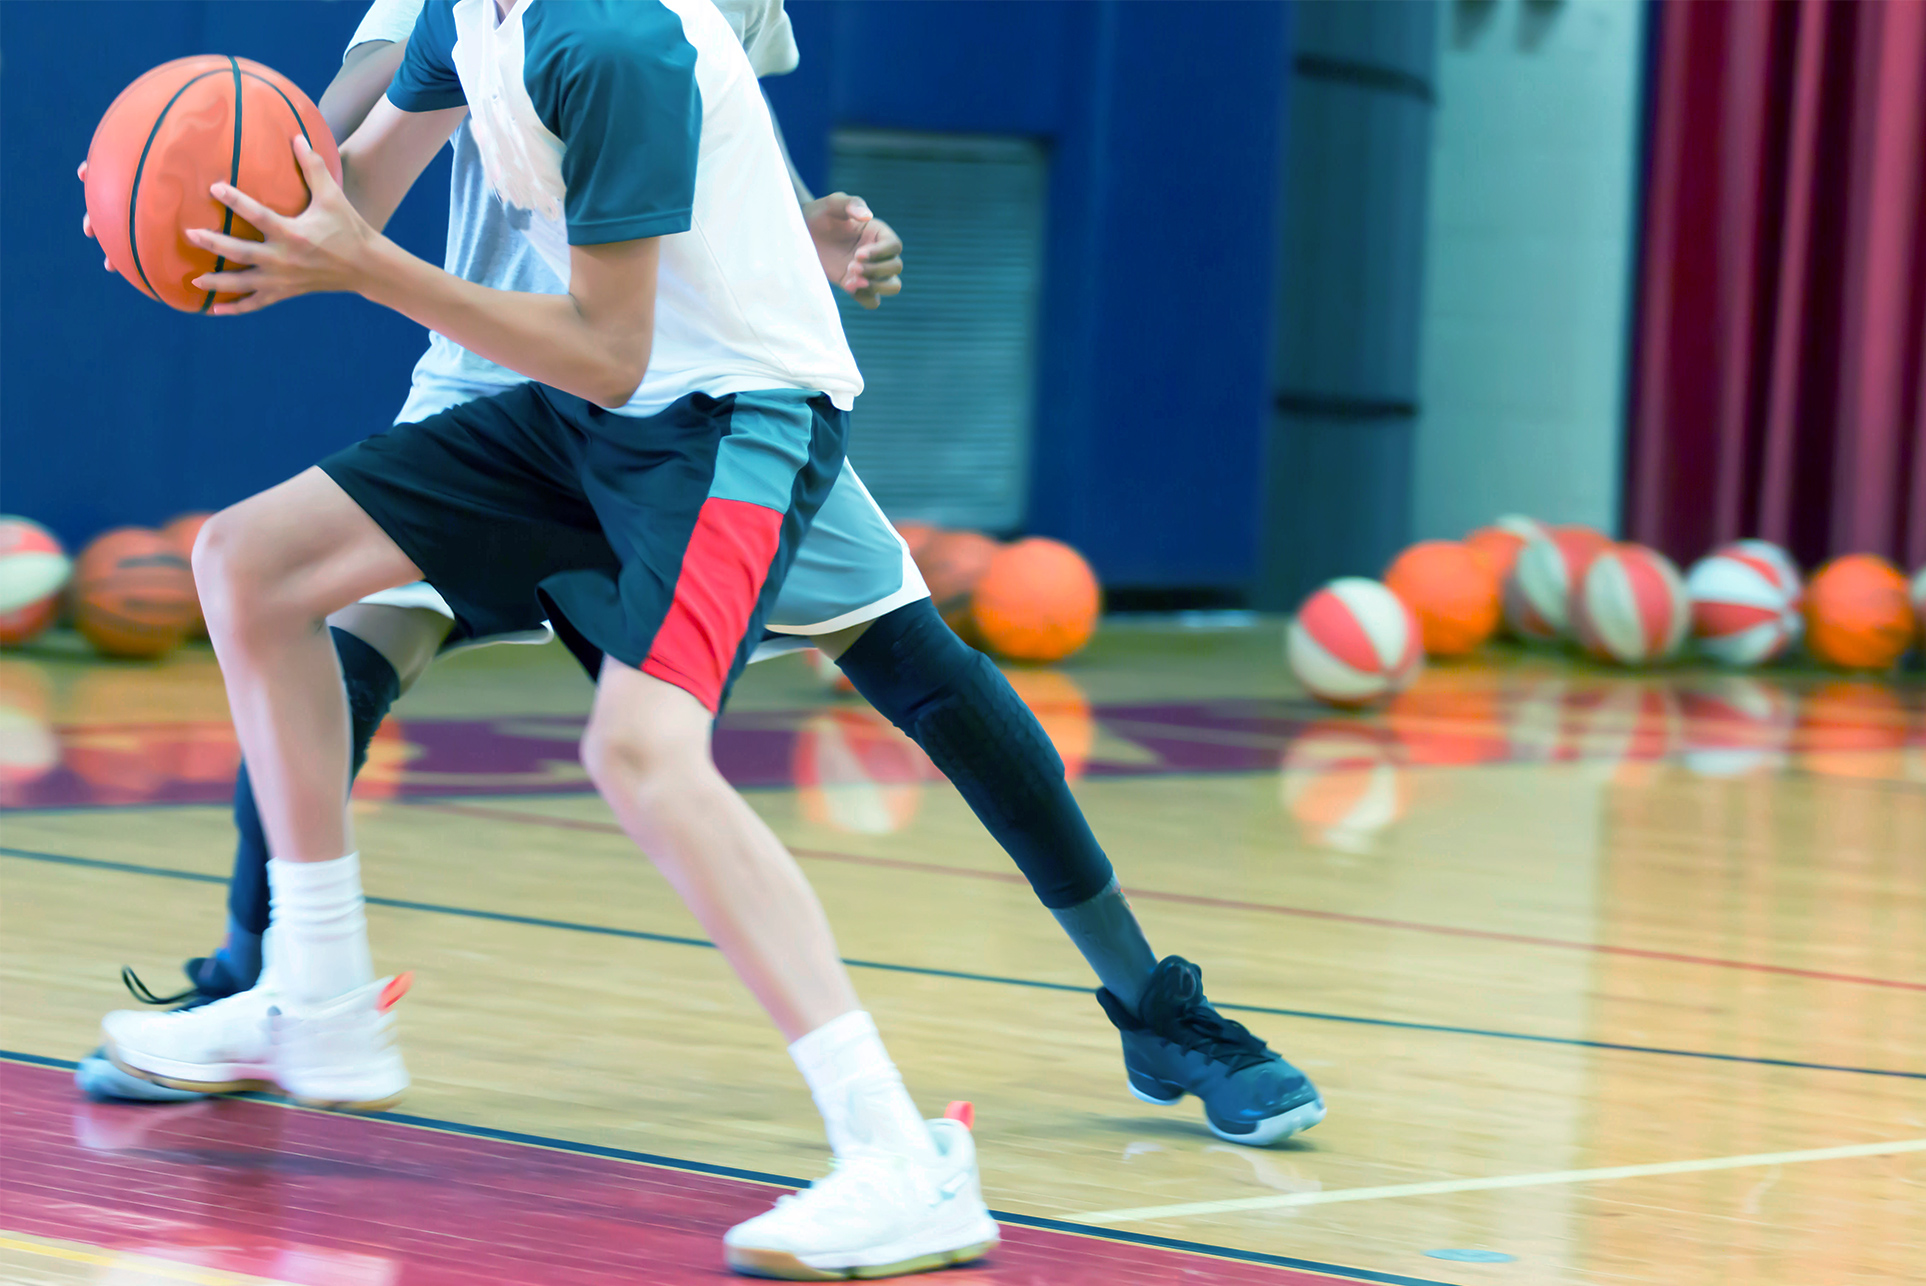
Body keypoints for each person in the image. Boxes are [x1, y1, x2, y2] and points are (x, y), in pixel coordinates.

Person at [85, 0, 1326, 1158]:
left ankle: (1146, 1002)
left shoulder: (636, 33)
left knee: (915, 667)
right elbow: (349, 129)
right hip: (491, 367)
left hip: (705, 388)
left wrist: (801, 223)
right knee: (303, 613)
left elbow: (696, 127)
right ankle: (280, 982)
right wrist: (211, 190)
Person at [91, 1, 1003, 1276]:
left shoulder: (615, 37)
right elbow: (341, 196)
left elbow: (612, 347)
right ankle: (320, 990)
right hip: (586, 406)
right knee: (245, 563)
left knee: (642, 752)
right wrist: (197, 215)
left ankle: (902, 1155)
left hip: (730, 413)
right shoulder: (465, 12)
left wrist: (356, 262)